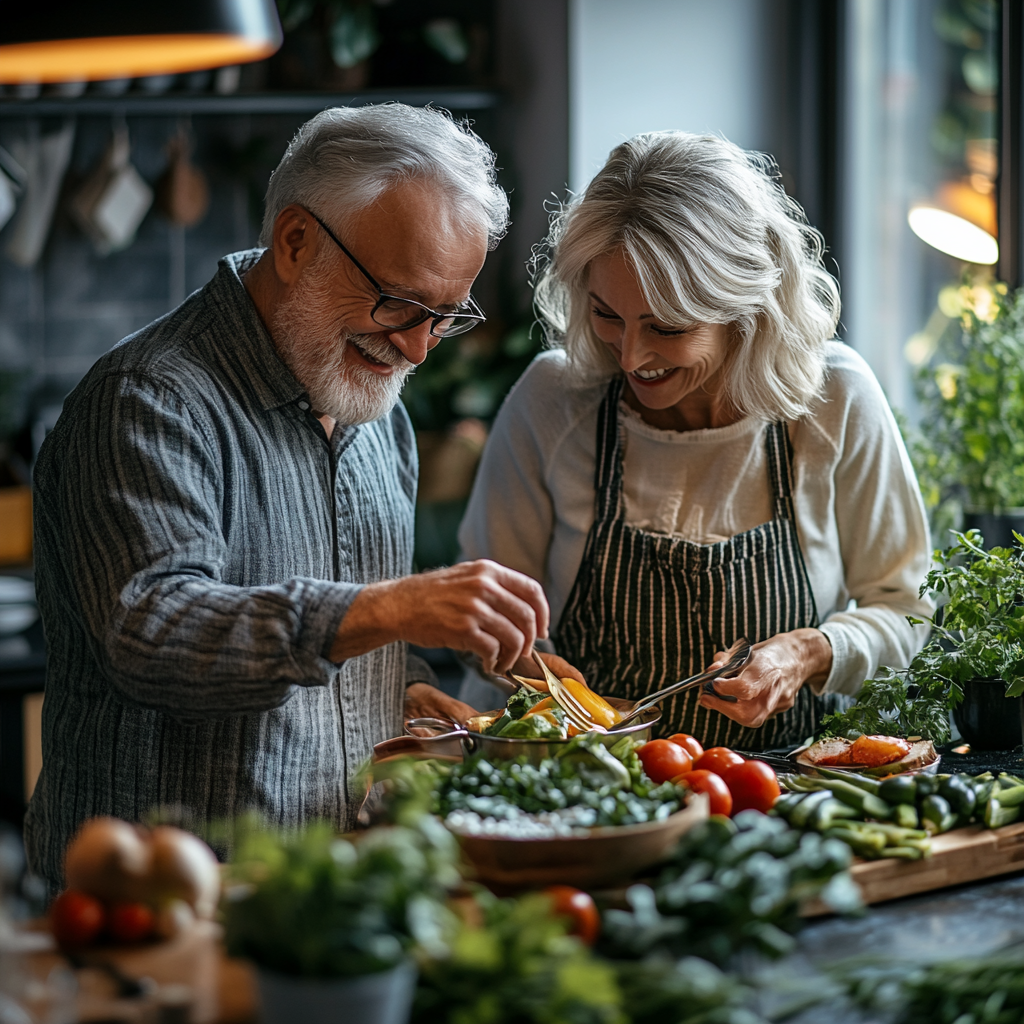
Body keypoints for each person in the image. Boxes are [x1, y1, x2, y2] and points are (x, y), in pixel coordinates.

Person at [25, 104, 549, 892]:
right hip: (154, 903)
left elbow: (323, 636)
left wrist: (394, 695)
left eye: (444, 317)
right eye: (398, 301)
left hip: (328, 888)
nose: (415, 346)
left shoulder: (380, 409)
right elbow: (153, 633)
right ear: (298, 242)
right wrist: (390, 608)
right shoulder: (150, 401)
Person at [459, 131, 933, 749]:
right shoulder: (554, 400)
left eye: (667, 326)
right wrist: (554, 691)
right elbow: (482, 615)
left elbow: (905, 607)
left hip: (780, 792)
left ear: (745, 308)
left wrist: (807, 651)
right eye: (607, 314)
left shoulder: (830, 399)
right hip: (586, 786)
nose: (631, 355)